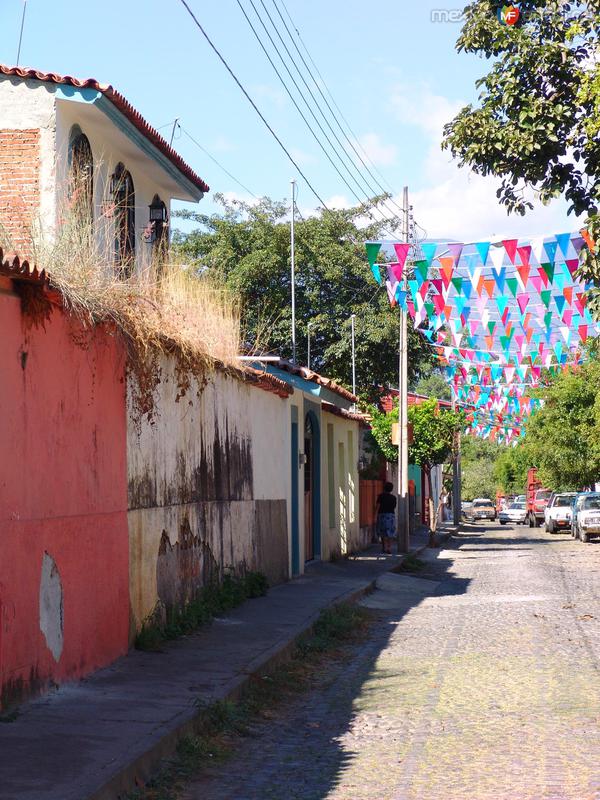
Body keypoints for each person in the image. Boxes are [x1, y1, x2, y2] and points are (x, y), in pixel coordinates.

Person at [375, 482, 397, 554]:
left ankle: (384, 547)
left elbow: (378, 507)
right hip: (391, 516)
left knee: (383, 532)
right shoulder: (394, 498)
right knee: (390, 532)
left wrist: (375, 516)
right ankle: (389, 548)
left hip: (382, 515)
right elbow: (394, 507)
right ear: (391, 489)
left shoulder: (380, 496)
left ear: (384, 488)